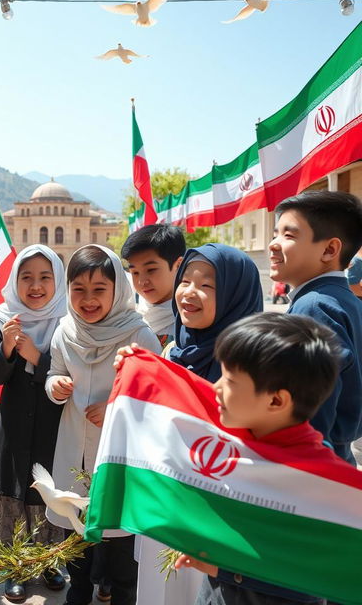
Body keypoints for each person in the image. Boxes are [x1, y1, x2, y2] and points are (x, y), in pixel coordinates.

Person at [119, 243, 263, 605]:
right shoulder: (173, 353)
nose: (189, 293)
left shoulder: (251, 367)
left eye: (208, 286)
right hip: (165, 507)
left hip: (212, 520)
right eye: (186, 281)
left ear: (234, 294)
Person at [175, 312, 339, 605]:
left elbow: (308, 573)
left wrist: (222, 569)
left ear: (276, 400)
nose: (216, 387)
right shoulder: (242, 442)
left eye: (230, 380)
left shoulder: (312, 478)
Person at [46, 244, 161, 605]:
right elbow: (54, 373)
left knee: (121, 541)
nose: (88, 299)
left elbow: (156, 398)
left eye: (99, 290)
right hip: (74, 453)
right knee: (77, 534)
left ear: (118, 289)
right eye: (78, 289)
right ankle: (77, 594)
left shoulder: (139, 335)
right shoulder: (65, 330)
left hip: (121, 457)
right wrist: (56, 387)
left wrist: (115, 408)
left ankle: (123, 594)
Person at [0, 244, 67, 602]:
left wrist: (38, 358)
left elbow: (73, 374)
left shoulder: (68, 321)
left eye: (45, 277)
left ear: (58, 281)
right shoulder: (3, 318)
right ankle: (13, 567)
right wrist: (5, 349)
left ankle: (49, 562)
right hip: (15, 425)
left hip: (53, 425)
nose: (35, 285)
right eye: (27, 277)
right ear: (15, 281)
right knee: (15, 493)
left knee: (47, 490)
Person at [269, 191, 362, 464]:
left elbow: (313, 407)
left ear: (330, 250)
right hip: (337, 457)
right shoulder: (345, 300)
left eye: (289, 235)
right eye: (275, 233)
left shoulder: (314, 307)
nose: (274, 244)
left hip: (314, 465)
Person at [121, 223, 186, 347]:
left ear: (178, 265)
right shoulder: (128, 316)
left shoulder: (192, 320)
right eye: (135, 272)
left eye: (151, 270)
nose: (142, 281)